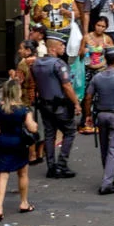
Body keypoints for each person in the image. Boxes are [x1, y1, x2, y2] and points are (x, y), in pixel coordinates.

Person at [85, 46, 114, 195]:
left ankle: (110, 175)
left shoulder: (97, 77)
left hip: (100, 115)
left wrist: (87, 115)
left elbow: (88, 98)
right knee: (113, 150)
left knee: (104, 148)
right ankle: (106, 183)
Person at [31, 33, 79, 179]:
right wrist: (76, 103)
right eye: (61, 45)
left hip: (44, 104)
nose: (63, 47)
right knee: (69, 132)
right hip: (60, 105)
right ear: (52, 48)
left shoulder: (37, 63)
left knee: (50, 134)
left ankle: (51, 166)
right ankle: (62, 164)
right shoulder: (59, 64)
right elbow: (67, 86)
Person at [0, 78, 38, 220]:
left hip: (3, 141)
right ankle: (24, 202)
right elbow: (32, 128)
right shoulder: (23, 110)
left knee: (2, 175)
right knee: (22, 173)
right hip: (18, 142)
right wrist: (34, 123)